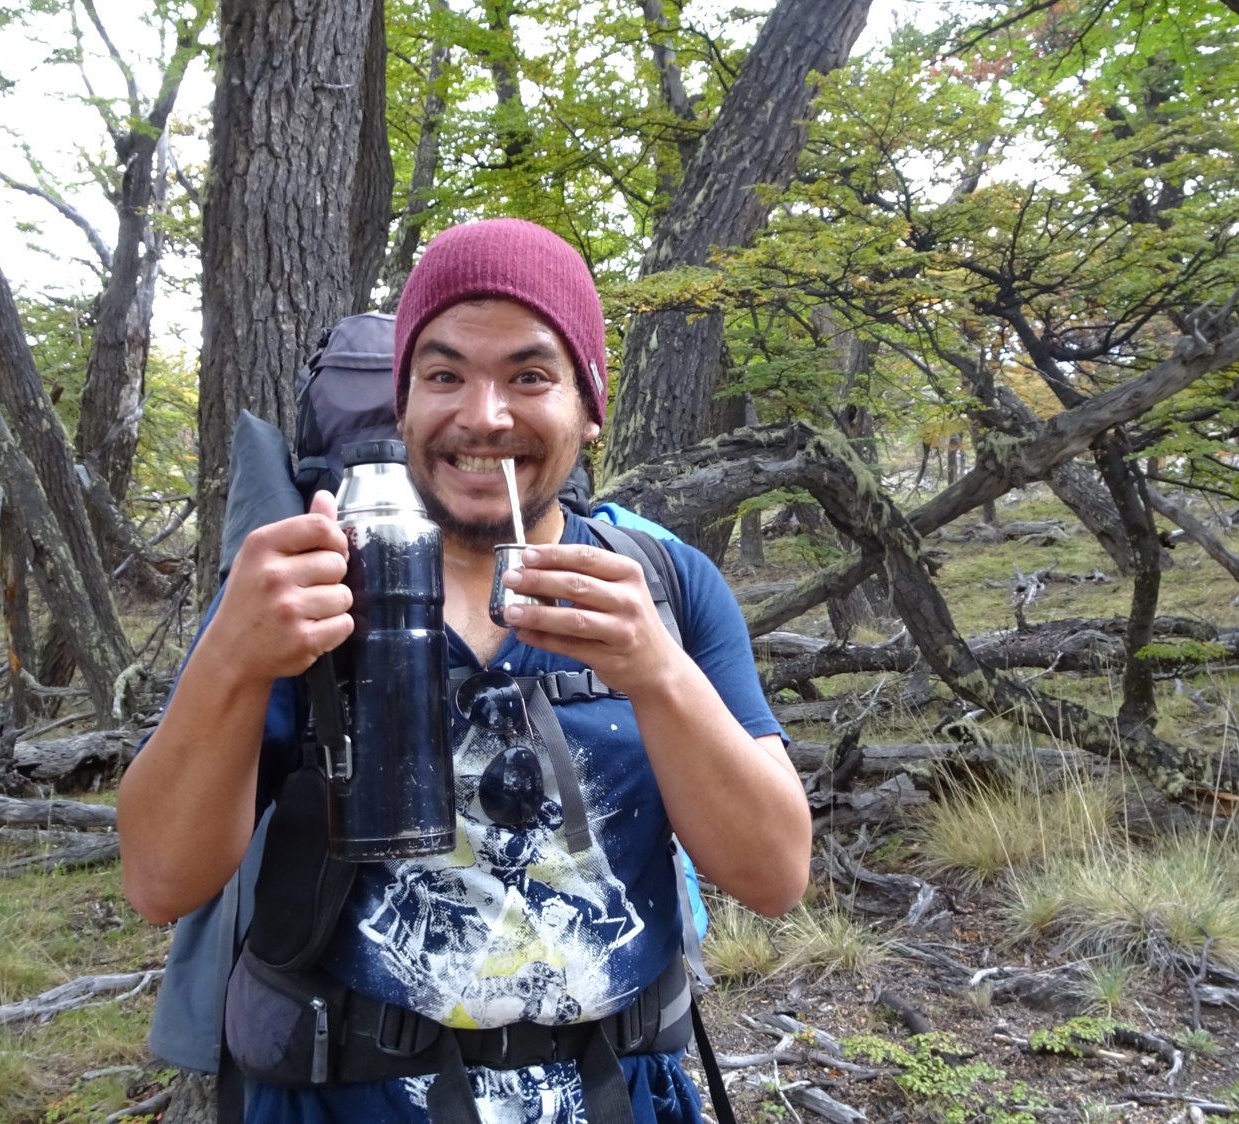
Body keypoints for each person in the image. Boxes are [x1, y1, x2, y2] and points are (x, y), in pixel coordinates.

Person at [118, 217, 811, 1122]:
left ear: (589, 406)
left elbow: (772, 876)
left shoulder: (667, 587)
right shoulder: (305, 587)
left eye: (530, 375)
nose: (483, 416)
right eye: (443, 375)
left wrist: (656, 671)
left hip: (616, 1093)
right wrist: (232, 661)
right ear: (402, 406)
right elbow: (161, 884)